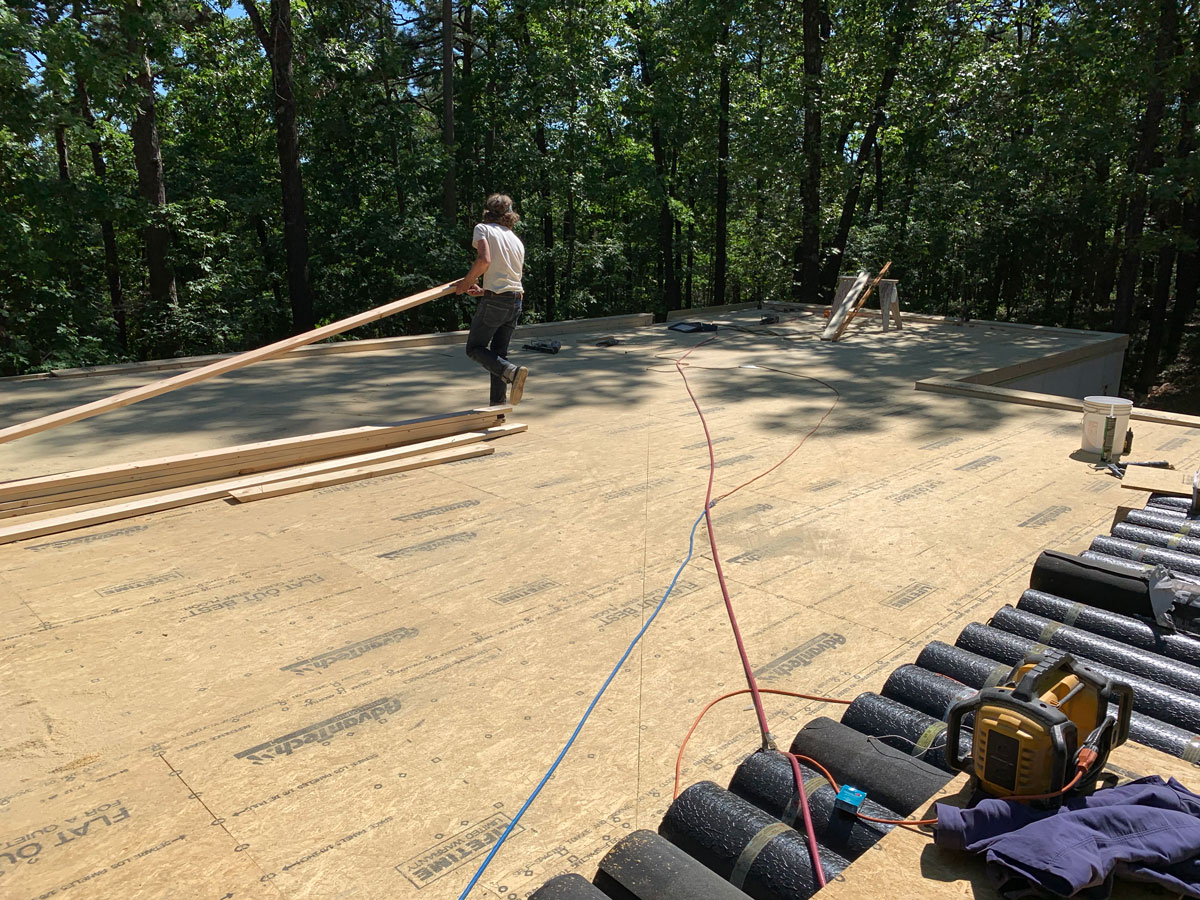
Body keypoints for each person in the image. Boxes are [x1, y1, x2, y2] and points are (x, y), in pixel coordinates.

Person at [456, 194, 529, 406]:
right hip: (515, 301)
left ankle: (513, 372)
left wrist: (465, 283)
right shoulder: (515, 240)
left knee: (474, 348)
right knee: (498, 356)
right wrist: (483, 290)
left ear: (487, 212)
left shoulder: (483, 229)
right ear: (509, 214)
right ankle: (498, 410)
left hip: (496, 301)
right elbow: (507, 275)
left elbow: (484, 260)